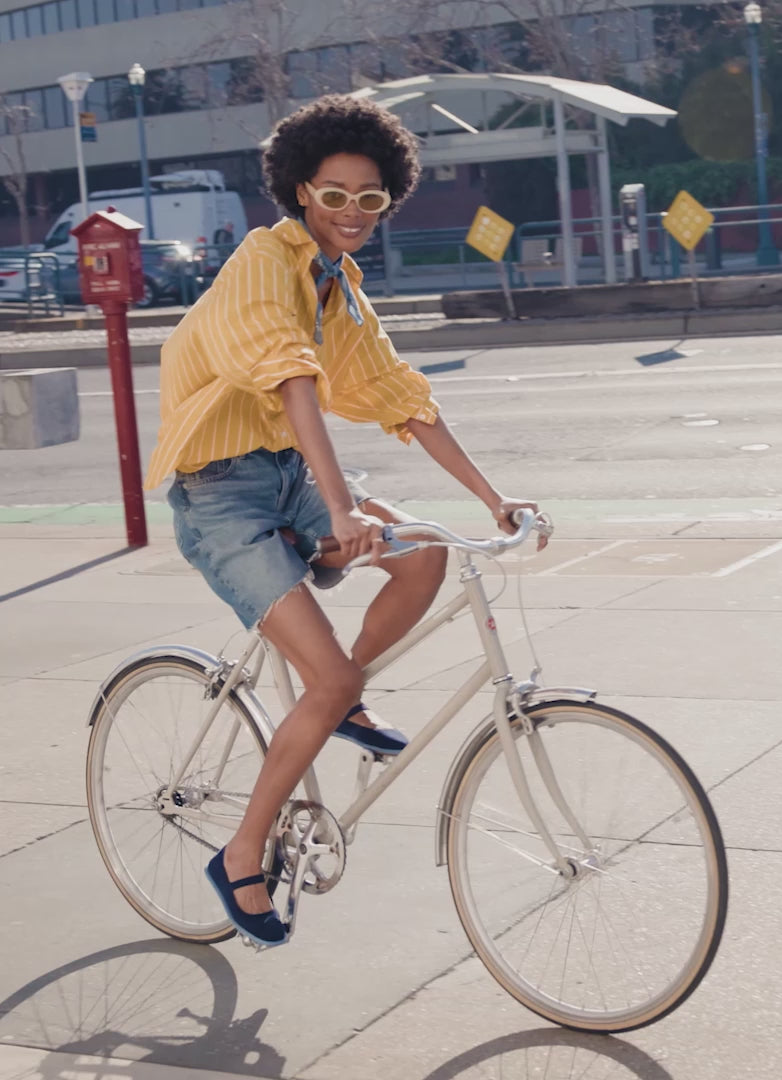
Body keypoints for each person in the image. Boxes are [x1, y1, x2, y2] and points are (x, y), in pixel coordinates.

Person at [143, 94, 545, 948]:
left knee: (427, 554)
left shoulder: (341, 288)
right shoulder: (261, 260)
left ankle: (345, 698)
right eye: (335, 195)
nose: (352, 213)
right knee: (326, 679)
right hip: (221, 493)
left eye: (370, 199)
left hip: (286, 475)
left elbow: (400, 398)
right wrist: (340, 506)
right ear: (299, 191)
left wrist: (493, 499)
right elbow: (290, 378)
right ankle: (242, 853)